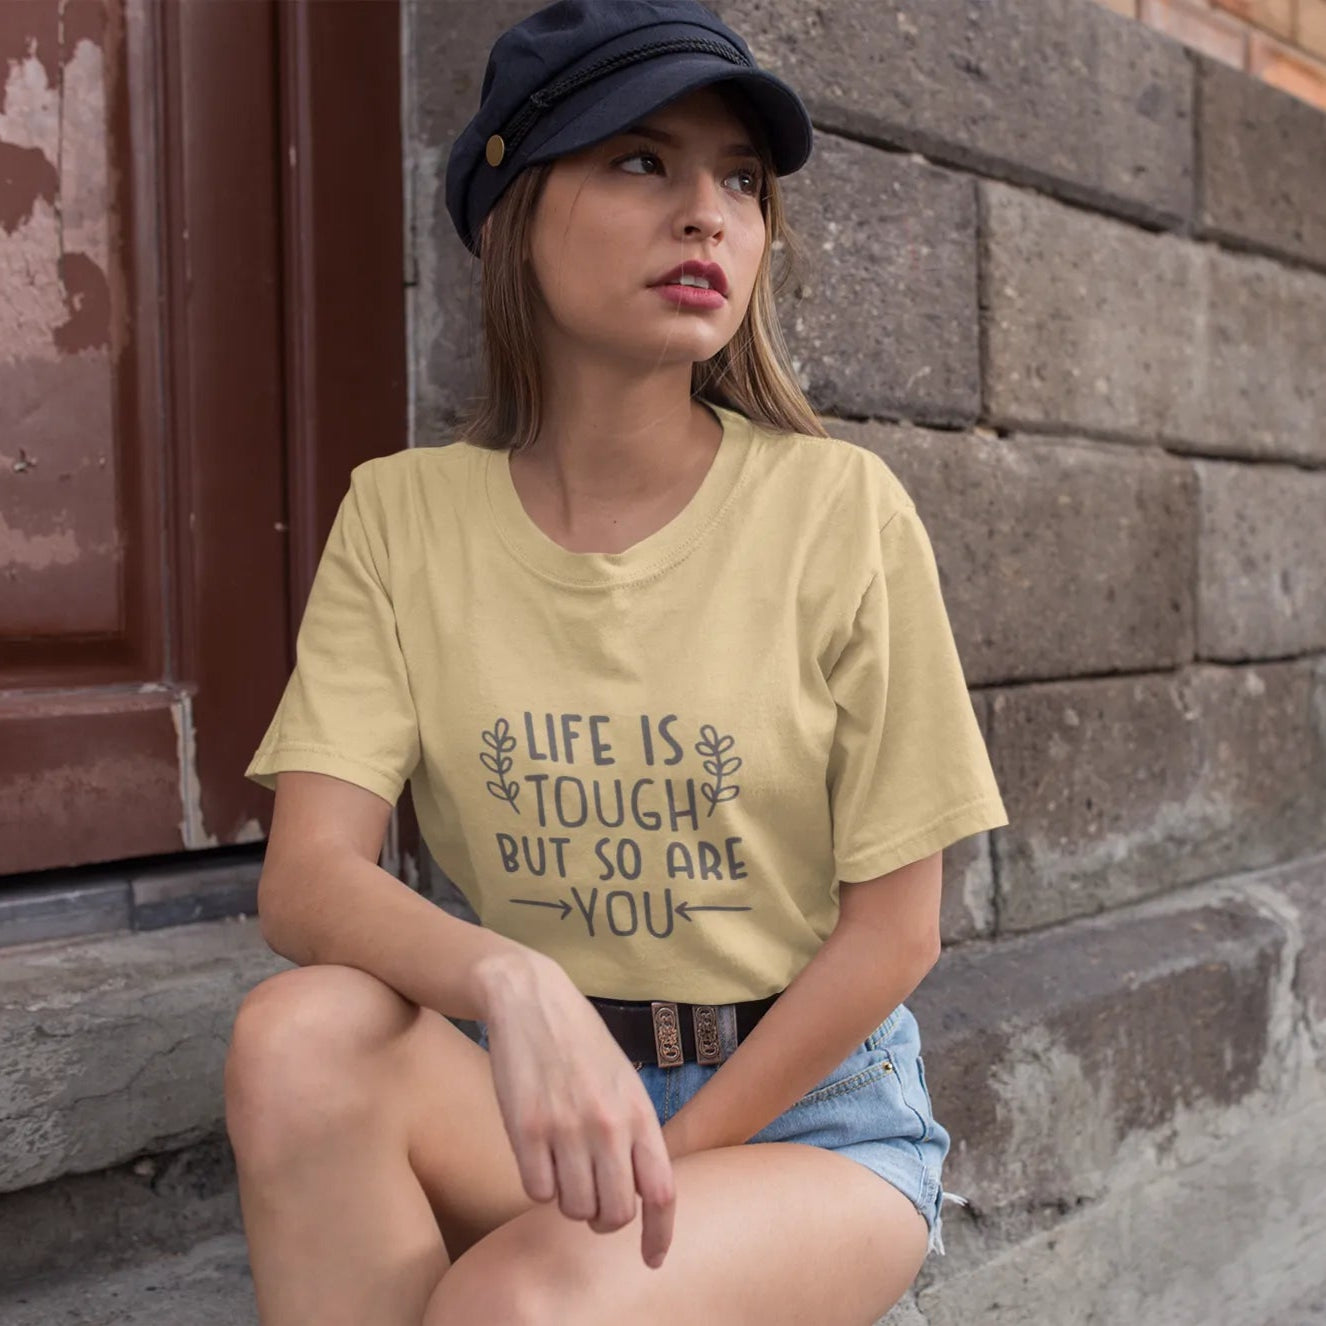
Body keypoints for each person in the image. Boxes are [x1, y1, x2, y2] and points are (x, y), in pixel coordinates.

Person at [226, 1, 1009, 1322]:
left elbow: (895, 930)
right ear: (518, 213)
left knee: (522, 1298)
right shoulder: (403, 517)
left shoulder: (838, 509)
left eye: (740, 181)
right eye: (640, 159)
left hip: (802, 1125)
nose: (706, 212)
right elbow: (306, 877)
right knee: (293, 1035)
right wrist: (506, 976)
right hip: (531, 1092)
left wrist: (658, 1165)